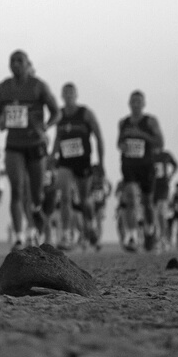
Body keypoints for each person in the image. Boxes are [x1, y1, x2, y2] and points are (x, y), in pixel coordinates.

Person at [0, 50, 60, 246]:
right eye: (11, 60)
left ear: (28, 64)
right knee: (17, 190)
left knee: (37, 193)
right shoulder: (3, 87)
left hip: (35, 145)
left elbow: (57, 113)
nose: (15, 64)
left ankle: (37, 212)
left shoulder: (39, 86)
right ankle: (19, 235)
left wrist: (45, 127)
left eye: (19, 61)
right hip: (14, 145)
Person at [51, 82, 104, 249]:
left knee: (84, 200)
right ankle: (66, 234)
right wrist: (52, 156)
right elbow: (58, 137)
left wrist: (101, 163)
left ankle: (91, 223)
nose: (68, 96)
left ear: (76, 95)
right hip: (65, 162)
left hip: (83, 161)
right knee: (65, 197)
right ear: (62, 96)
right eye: (65, 93)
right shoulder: (59, 114)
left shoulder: (86, 113)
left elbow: (98, 136)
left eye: (71, 93)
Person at [115, 90, 165, 251]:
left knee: (147, 203)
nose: (136, 104)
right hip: (129, 165)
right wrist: (122, 145)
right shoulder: (123, 122)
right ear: (129, 103)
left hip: (146, 166)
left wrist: (141, 135)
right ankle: (132, 236)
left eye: (139, 101)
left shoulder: (150, 122)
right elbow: (119, 143)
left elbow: (160, 143)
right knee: (130, 199)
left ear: (143, 104)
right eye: (133, 101)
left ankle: (150, 230)